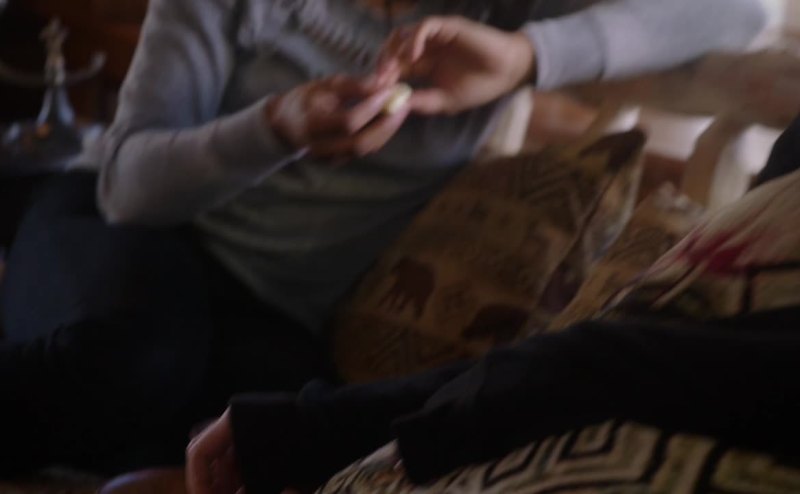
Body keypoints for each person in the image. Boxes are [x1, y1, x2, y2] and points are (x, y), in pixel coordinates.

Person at [0, 0, 765, 475]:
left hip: (274, 308)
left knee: (283, 430)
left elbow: (739, 10)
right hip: (120, 229)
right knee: (137, 357)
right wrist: (275, 128)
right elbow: (129, 192)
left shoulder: (493, 14)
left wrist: (528, 56)